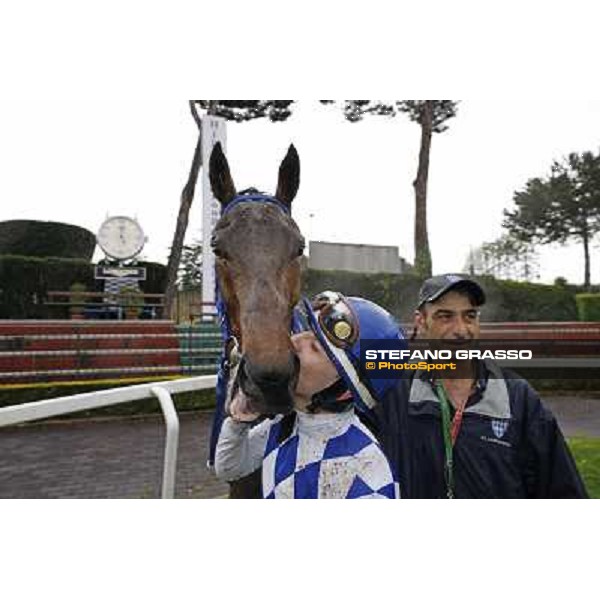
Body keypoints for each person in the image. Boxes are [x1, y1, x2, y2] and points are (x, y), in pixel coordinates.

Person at [373, 273, 588, 498]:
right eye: (445, 316)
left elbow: (562, 489)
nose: (461, 330)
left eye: (469, 316)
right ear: (421, 321)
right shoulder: (393, 390)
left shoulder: (517, 396)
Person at [214, 291, 405, 499]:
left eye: (314, 347)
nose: (295, 341)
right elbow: (229, 468)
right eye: (308, 331)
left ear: (343, 391)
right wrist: (238, 422)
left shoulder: (367, 467)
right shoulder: (283, 426)